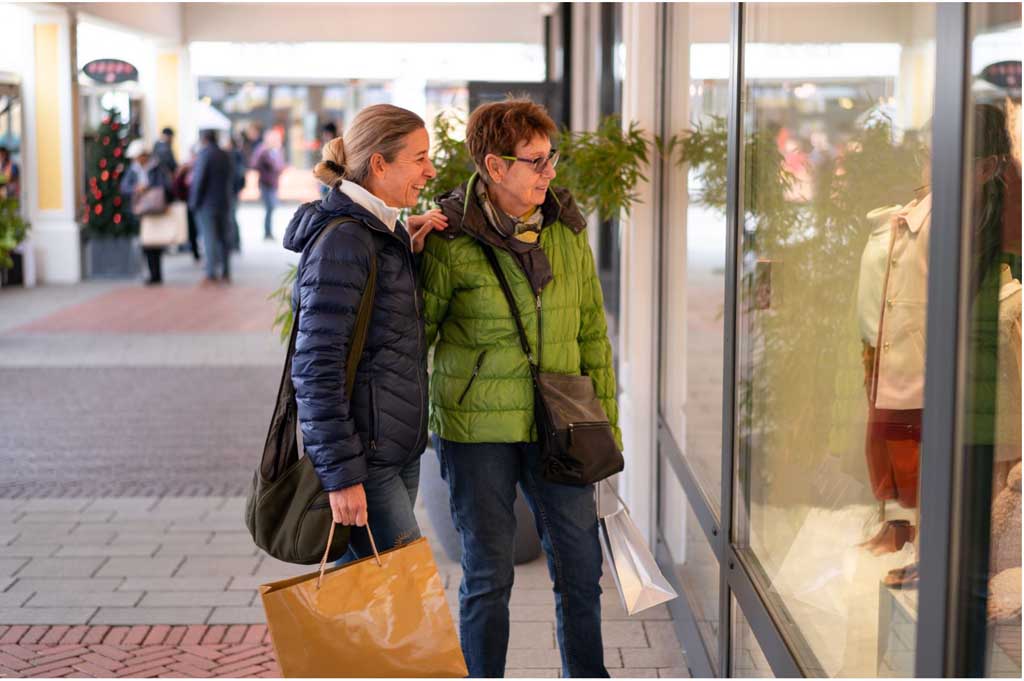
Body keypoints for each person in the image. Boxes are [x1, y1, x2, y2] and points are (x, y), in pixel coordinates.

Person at [420, 98, 619, 678]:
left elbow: (591, 335)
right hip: (475, 431)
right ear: (495, 166)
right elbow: (413, 338)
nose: (550, 171)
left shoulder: (566, 230)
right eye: (535, 161)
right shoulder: (449, 238)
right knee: (487, 576)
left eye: (550, 157)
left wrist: (605, 428)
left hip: (561, 427)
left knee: (582, 571)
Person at [283, 103, 446, 563]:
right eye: (419, 158)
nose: (430, 170)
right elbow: (316, 367)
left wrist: (403, 244)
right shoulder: (344, 242)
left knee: (371, 605)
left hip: (394, 448)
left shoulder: (377, 234)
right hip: (365, 460)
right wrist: (341, 476)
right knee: (403, 599)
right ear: (379, 163)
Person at [120, 140, 173, 286]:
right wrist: (136, 188)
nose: (137, 160)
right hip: (141, 210)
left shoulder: (157, 167)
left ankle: (156, 274)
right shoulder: (133, 170)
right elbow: (124, 187)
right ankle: (151, 273)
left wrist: (150, 188)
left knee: (155, 242)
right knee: (146, 243)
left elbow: (167, 186)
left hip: (155, 209)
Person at [189, 130, 234, 284]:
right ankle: (226, 272)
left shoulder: (204, 154)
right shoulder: (225, 154)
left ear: (204, 140)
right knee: (223, 238)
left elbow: (199, 180)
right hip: (224, 202)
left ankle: (211, 273)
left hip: (207, 204)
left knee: (209, 238)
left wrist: (194, 202)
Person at [251, 127, 286, 240]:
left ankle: (268, 231)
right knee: (269, 207)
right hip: (265, 183)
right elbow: (254, 164)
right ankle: (267, 232)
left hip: (273, 183)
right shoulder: (262, 150)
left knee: (272, 208)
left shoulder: (277, 151)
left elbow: (280, 166)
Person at [226, 135, 247, 252]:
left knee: (231, 217)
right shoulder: (238, 155)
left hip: (231, 191)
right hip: (235, 190)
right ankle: (235, 243)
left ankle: (234, 243)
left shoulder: (232, 156)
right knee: (232, 216)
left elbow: (235, 176)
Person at [319, 121, 339, 199]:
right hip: (327, 180)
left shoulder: (334, 146)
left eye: (326, 134)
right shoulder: (327, 145)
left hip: (332, 180)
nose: (324, 136)